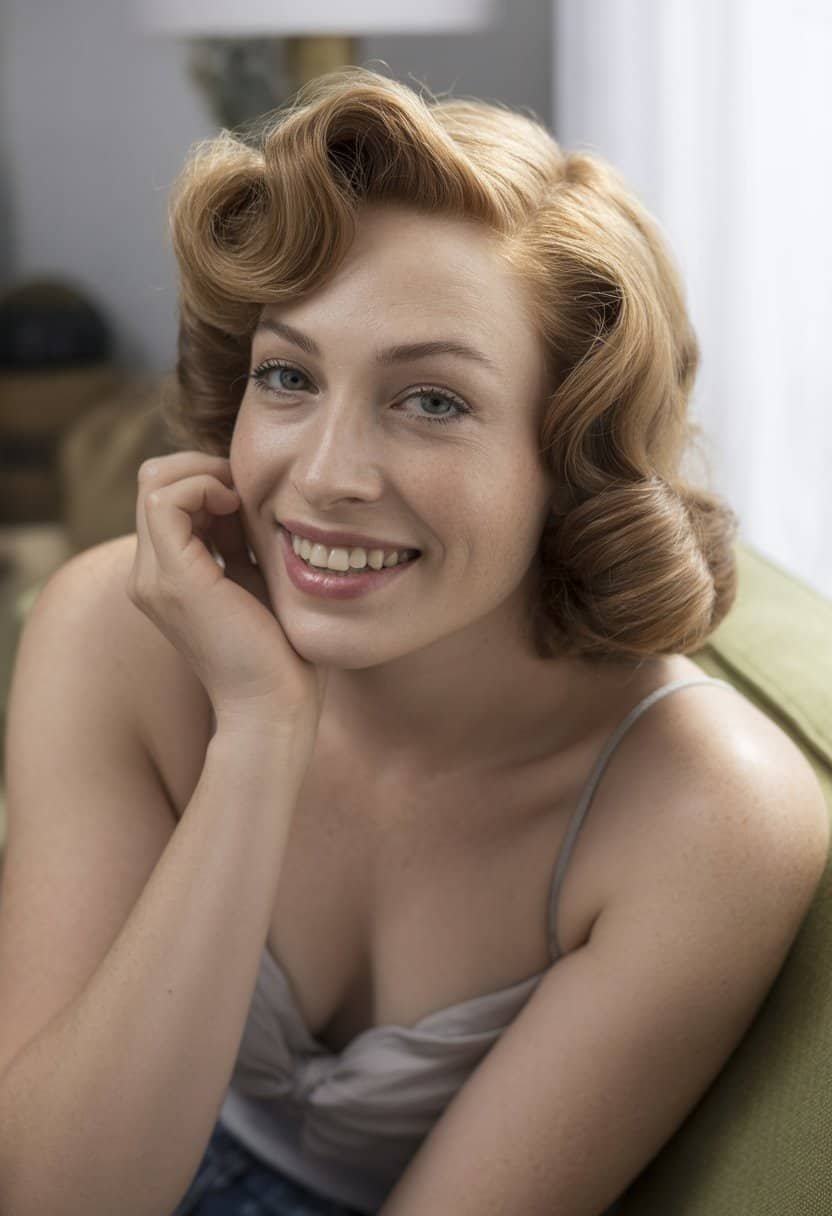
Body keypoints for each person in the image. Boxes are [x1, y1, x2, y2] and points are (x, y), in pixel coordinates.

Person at [0, 65, 827, 1216]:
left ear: (567, 455)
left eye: (430, 400)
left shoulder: (709, 817)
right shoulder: (118, 632)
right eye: (287, 376)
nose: (323, 477)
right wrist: (258, 735)